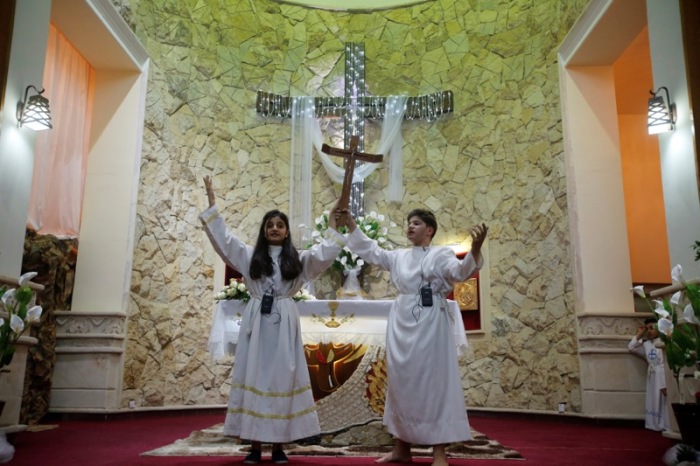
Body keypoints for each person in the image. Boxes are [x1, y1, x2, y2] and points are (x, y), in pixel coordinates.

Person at [200, 176, 347, 464]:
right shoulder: (249, 255)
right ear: (264, 231)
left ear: (287, 231)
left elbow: (324, 255)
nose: (275, 229)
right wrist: (212, 206)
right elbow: (225, 242)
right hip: (257, 326)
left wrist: (333, 224)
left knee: (282, 381)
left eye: (280, 225)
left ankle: (279, 446)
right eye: (270, 225)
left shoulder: (299, 259)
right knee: (255, 377)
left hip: (284, 327)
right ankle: (255, 446)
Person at [343, 207, 488, 466]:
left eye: (416, 223)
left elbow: (459, 272)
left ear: (429, 230)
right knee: (402, 383)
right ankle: (402, 448)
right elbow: (371, 251)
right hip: (402, 322)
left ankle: (439, 452)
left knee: (433, 383)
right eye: (409, 223)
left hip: (431, 322)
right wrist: (352, 224)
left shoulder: (441, 253)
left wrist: (475, 248)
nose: (410, 226)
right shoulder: (399, 256)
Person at [628, 317, 669, 432]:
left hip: (663, 374)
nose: (649, 331)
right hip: (652, 375)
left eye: (652, 328)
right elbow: (631, 347)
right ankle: (654, 423)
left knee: (663, 400)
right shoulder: (647, 345)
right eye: (647, 329)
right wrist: (640, 334)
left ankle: (665, 424)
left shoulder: (664, 342)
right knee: (654, 399)